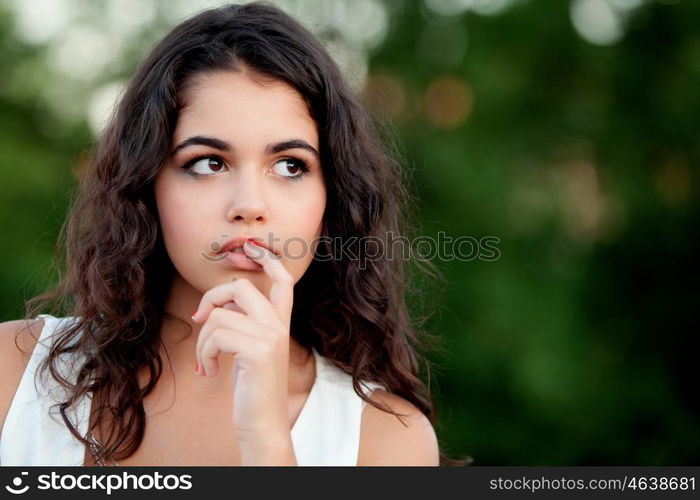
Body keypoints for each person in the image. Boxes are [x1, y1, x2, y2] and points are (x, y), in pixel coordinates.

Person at [0, 2, 463, 466]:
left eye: (289, 166)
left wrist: (267, 440)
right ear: (146, 184)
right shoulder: (13, 378)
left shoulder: (385, 442)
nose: (249, 206)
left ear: (333, 197)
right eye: (209, 163)